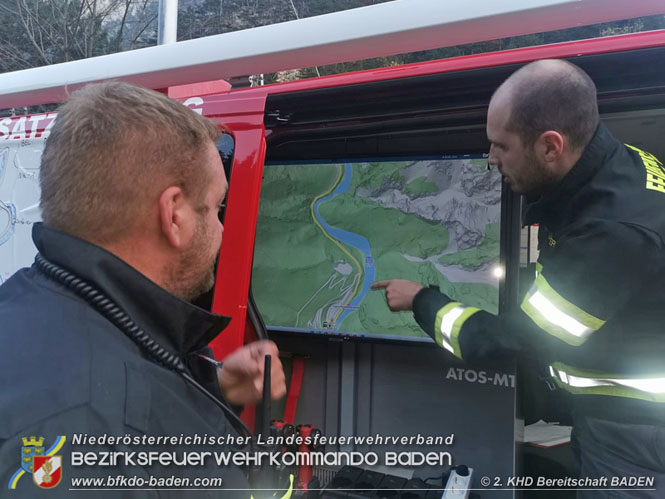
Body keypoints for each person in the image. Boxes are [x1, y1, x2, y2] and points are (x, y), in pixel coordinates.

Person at [372, 60, 665, 496]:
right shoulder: (628, 168)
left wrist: (421, 300)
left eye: (501, 146)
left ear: (551, 146)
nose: (491, 159)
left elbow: (512, 338)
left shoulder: (610, 234)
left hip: (632, 433)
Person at [0, 82, 287, 496]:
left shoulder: (23, 305)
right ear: (174, 215)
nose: (222, 229)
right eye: (216, 208)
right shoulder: (106, 441)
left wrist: (213, 387)